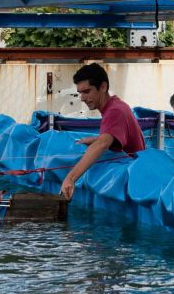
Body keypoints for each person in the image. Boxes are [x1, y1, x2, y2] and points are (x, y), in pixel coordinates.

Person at [60, 62, 144, 200]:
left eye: (87, 91)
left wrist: (70, 178)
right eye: (80, 93)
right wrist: (96, 139)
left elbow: (102, 145)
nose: (82, 98)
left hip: (133, 182)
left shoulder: (114, 111)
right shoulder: (116, 105)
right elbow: (110, 140)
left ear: (103, 87)